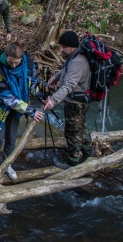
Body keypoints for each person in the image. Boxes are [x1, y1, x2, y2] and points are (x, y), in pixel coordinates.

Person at [0, 42, 44, 180]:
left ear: (21, 58)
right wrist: (31, 111)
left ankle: (7, 164)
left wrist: (43, 95)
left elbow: (32, 84)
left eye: (16, 62)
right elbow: (8, 98)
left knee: (11, 138)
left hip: (17, 109)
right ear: (6, 57)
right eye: (10, 62)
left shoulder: (28, 65)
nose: (13, 65)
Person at [43, 31, 93, 169]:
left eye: (63, 47)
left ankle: (72, 160)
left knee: (72, 131)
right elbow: (66, 69)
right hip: (80, 100)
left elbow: (69, 85)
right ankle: (89, 151)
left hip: (76, 103)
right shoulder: (75, 55)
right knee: (81, 126)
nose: (61, 49)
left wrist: (53, 100)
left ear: (72, 46)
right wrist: (56, 77)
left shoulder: (78, 62)